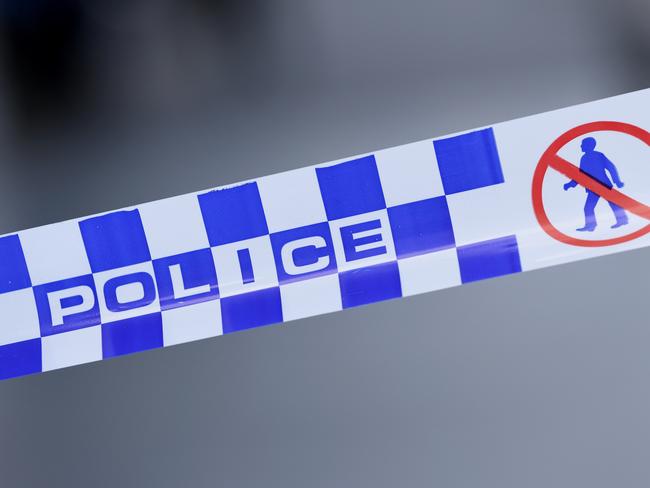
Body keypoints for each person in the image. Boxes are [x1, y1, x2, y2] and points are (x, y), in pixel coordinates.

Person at [563, 137, 628, 231]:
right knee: (590, 207)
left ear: (588, 146)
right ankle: (591, 225)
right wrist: (570, 184)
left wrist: (617, 181)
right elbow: (580, 175)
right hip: (594, 187)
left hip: (603, 185)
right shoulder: (584, 158)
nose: (581, 146)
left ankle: (620, 220)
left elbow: (610, 167)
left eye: (583, 144)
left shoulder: (598, 156)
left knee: (610, 204)